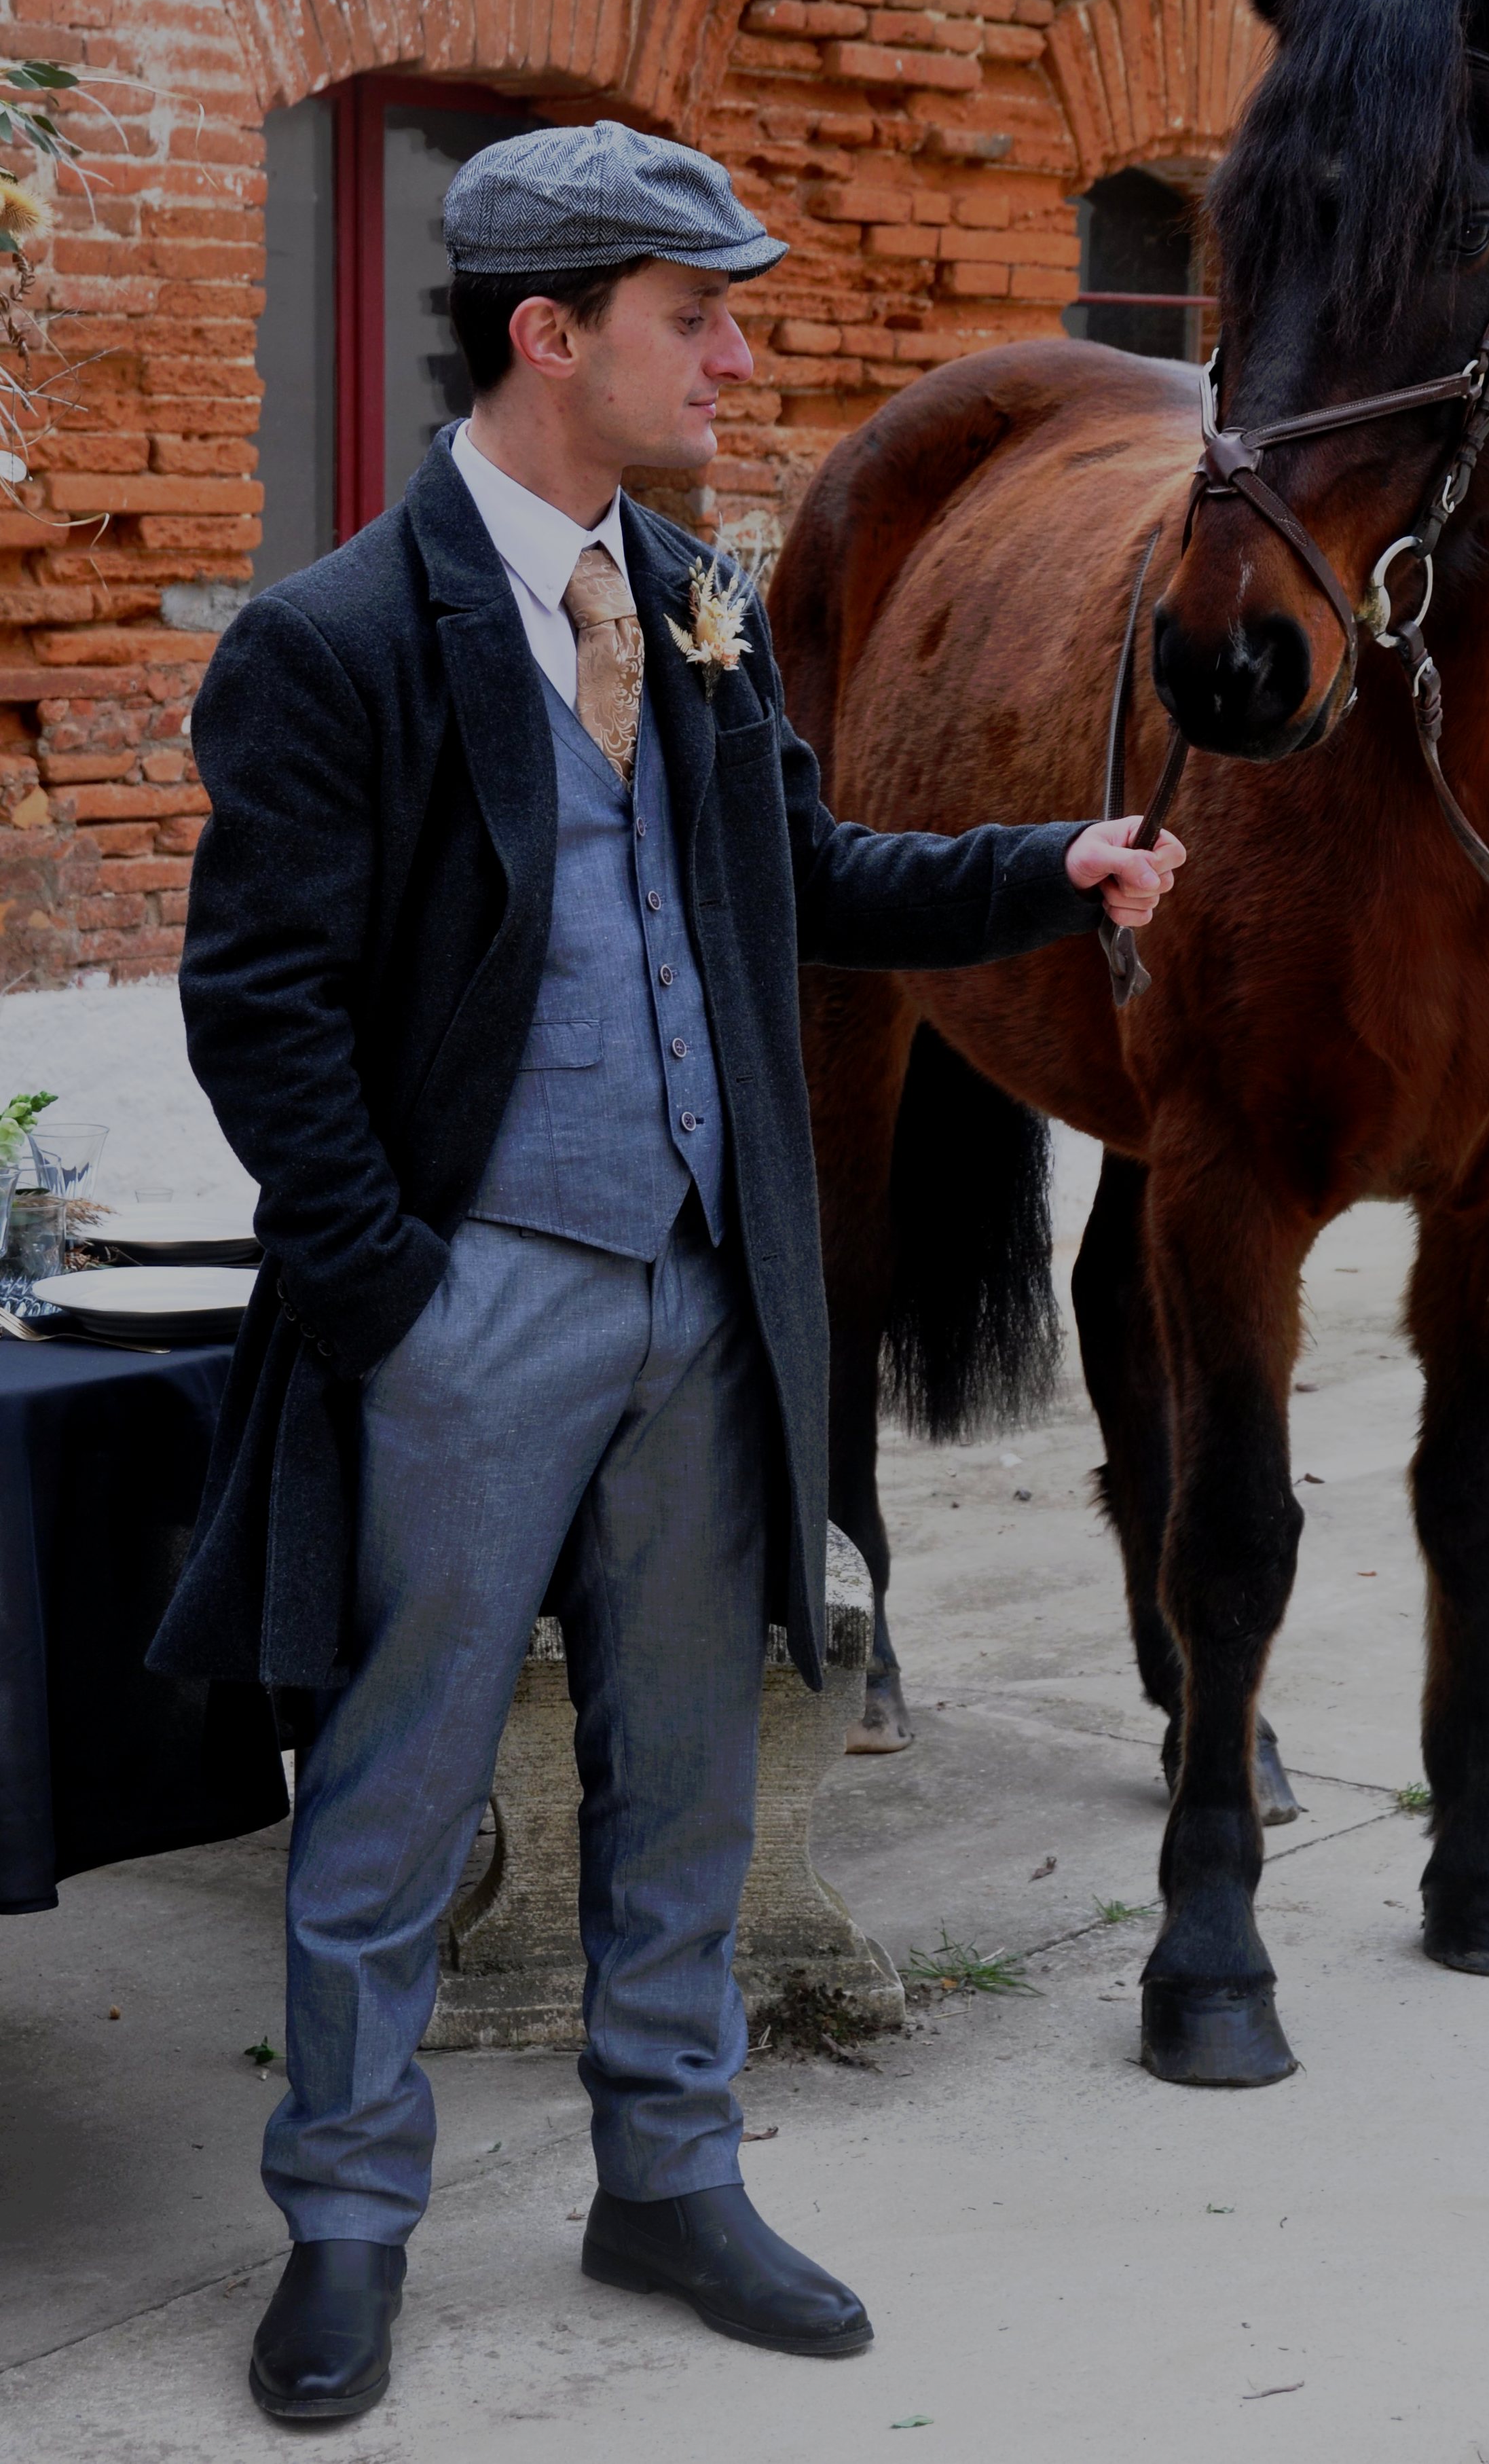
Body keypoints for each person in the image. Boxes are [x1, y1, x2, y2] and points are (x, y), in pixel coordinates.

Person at [150, 120, 1183, 2425]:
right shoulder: (332, 641)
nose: (735, 349)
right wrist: (396, 1293)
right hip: (473, 1305)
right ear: (549, 334)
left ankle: (669, 2167)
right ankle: (345, 2215)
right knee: (400, 1786)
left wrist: (1055, 860)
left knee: (693, 1761)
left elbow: (799, 869)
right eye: (689, 313)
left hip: (708, 1302)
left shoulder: (699, 603)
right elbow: (263, 1010)